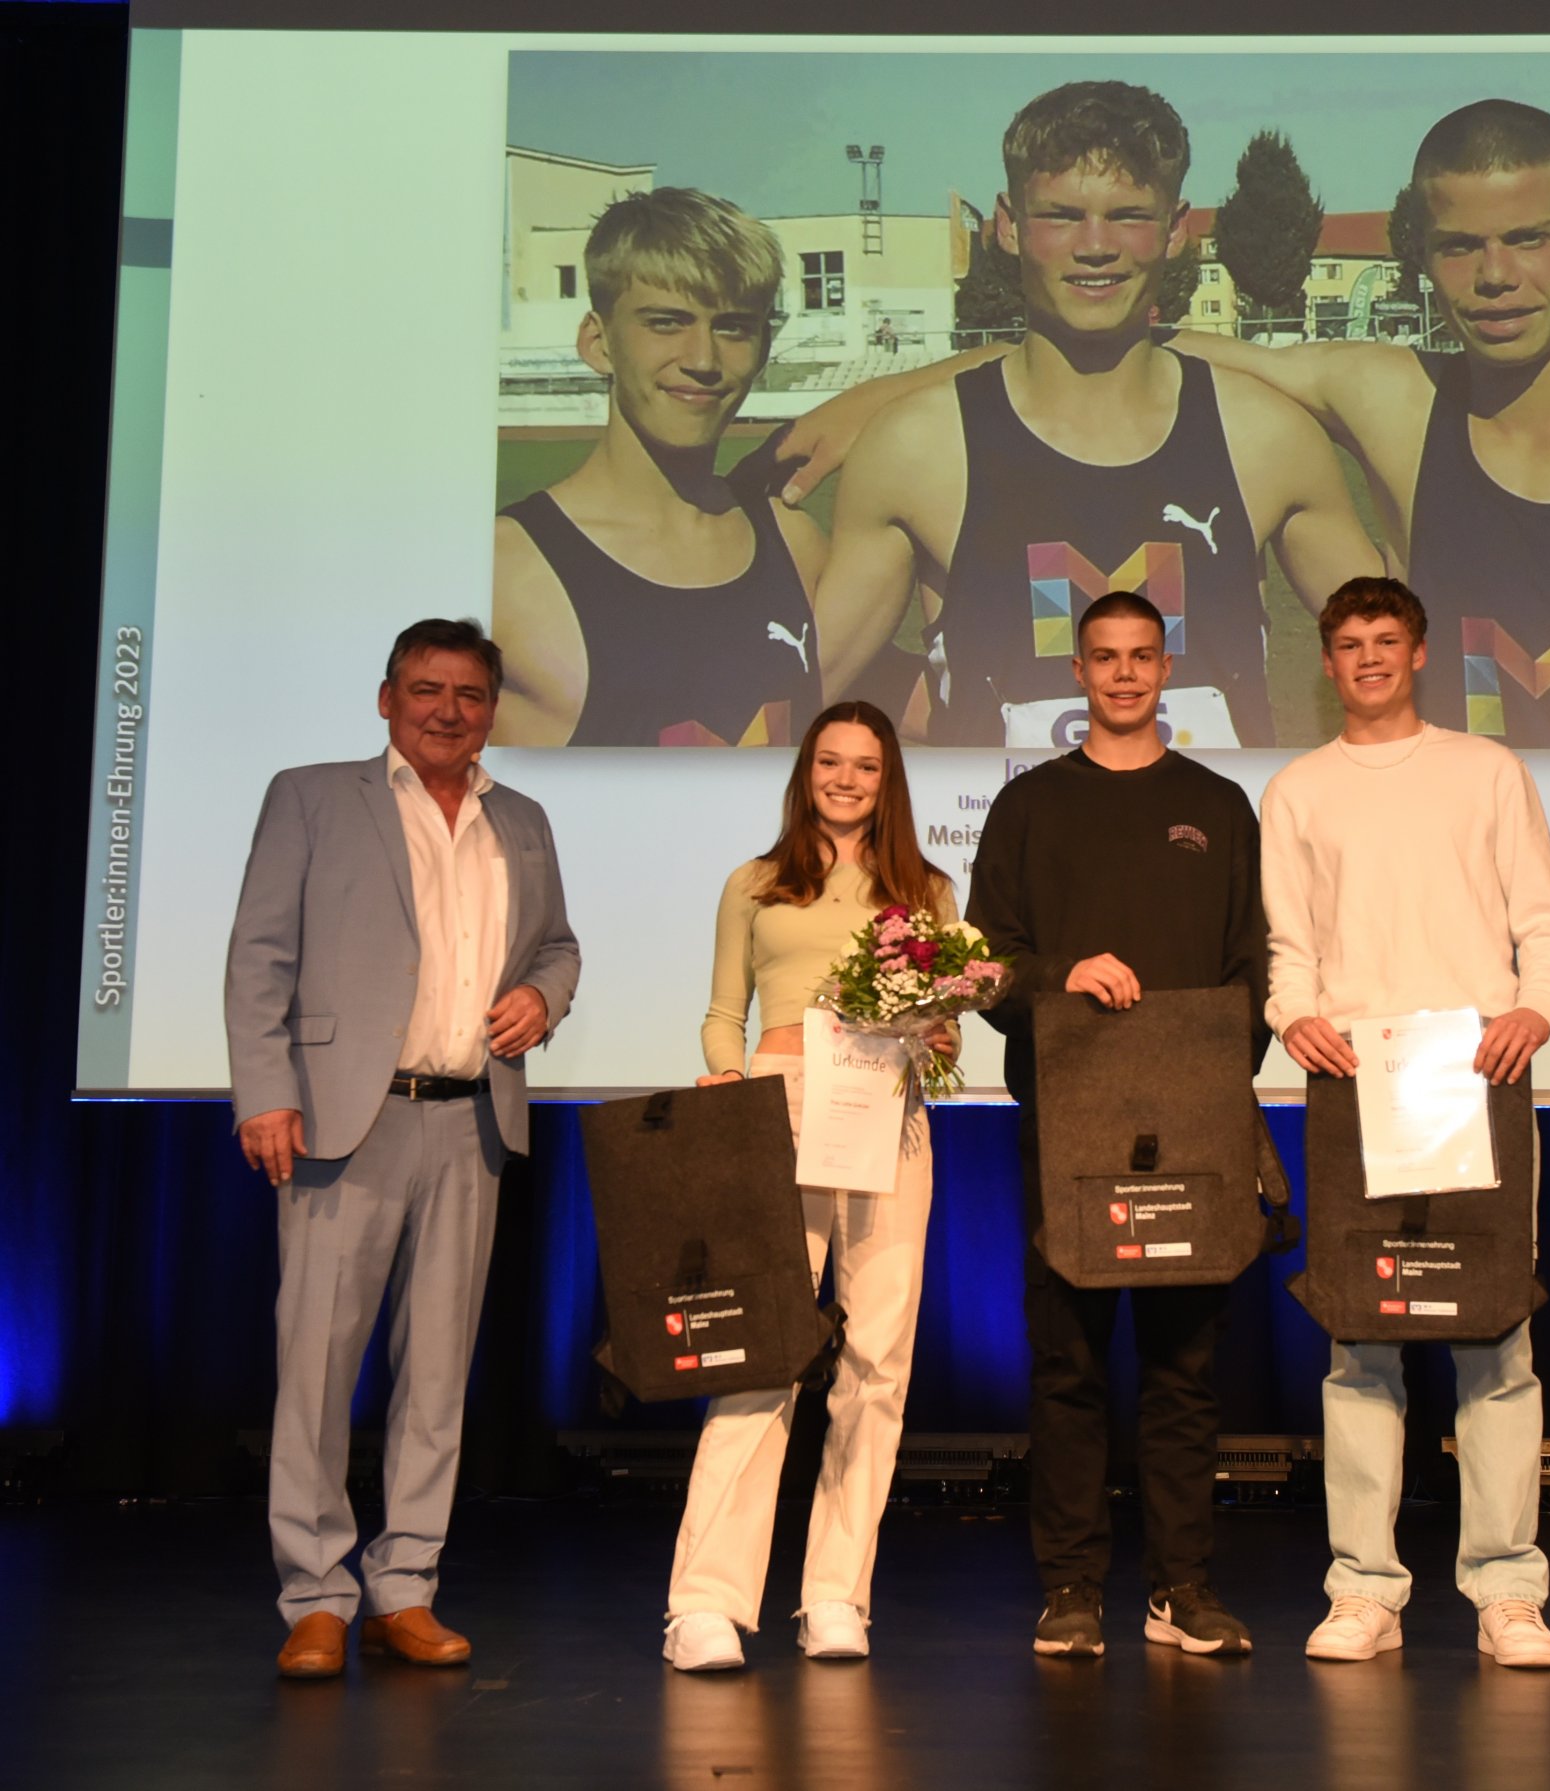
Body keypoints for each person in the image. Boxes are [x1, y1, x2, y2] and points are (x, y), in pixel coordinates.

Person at [784, 97, 1550, 750]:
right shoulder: (1393, 399)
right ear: (1421, 251)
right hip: (1449, 869)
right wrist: (883, 400)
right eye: (1460, 245)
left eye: (1528, 238)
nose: (1495, 275)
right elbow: (1109, 326)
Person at [812, 80, 1379, 748]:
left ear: (1174, 230)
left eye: (1129, 215)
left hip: (1216, 850)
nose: (1095, 245)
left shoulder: (1267, 438)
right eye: (1061, 215)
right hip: (1003, 852)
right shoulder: (918, 447)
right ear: (1007, 225)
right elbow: (800, 689)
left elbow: (1399, 670)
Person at [226, 618, 580, 1678]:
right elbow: (259, 956)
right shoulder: (311, 796)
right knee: (317, 1367)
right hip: (344, 1118)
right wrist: (264, 1092)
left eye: (469, 695)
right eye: (426, 690)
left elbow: (557, 945)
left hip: (468, 1121)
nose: (447, 710)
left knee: (436, 1378)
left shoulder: (520, 818)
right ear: (388, 699)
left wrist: (539, 996)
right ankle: (317, 1596)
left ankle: (406, 1585)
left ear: (491, 712)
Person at [1260, 575, 1550, 1668]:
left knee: (1497, 1339)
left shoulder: (1485, 770)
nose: (1366, 659)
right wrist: (1293, 1013)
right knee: (1361, 1342)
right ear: (1326, 661)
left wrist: (1536, 1006)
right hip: (1357, 1079)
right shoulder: (1299, 789)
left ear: (1420, 652)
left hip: (1475, 1071)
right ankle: (1364, 1588)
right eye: (1347, 643)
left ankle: (1507, 1594)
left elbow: (1547, 921)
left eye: (1384, 641)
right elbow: (1288, 945)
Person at [967, 591, 1268, 1658]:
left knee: (1186, 1370)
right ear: (1081, 671)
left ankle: (1182, 1588)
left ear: (1167, 667)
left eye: (1144, 657)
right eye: (1106, 658)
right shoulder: (1030, 806)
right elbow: (987, 966)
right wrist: (1062, 975)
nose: (1126, 675)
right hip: (1070, 1123)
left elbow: (1253, 970)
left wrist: (1217, 1086)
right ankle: (1072, 1588)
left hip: (1193, 1126)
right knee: (1070, 1367)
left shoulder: (1222, 805)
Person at [663, 701, 957, 1672]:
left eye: (865, 767)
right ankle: (706, 1604)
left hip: (887, 1112)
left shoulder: (927, 890)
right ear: (805, 771)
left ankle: (836, 1594)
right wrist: (725, 1072)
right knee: (762, 1353)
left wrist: (941, 1031)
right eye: (830, 762)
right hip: (776, 1108)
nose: (845, 780)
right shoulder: (753, 882)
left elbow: (943, 1027)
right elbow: (721, 1011)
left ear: (889, 779)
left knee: (878, 1361)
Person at [492, 188, 824, 748]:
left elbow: (947, 700)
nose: (702, 360)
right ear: (598, 343)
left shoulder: (795, 543)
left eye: (734, 327)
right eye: (666, 323)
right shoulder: (501, 568)